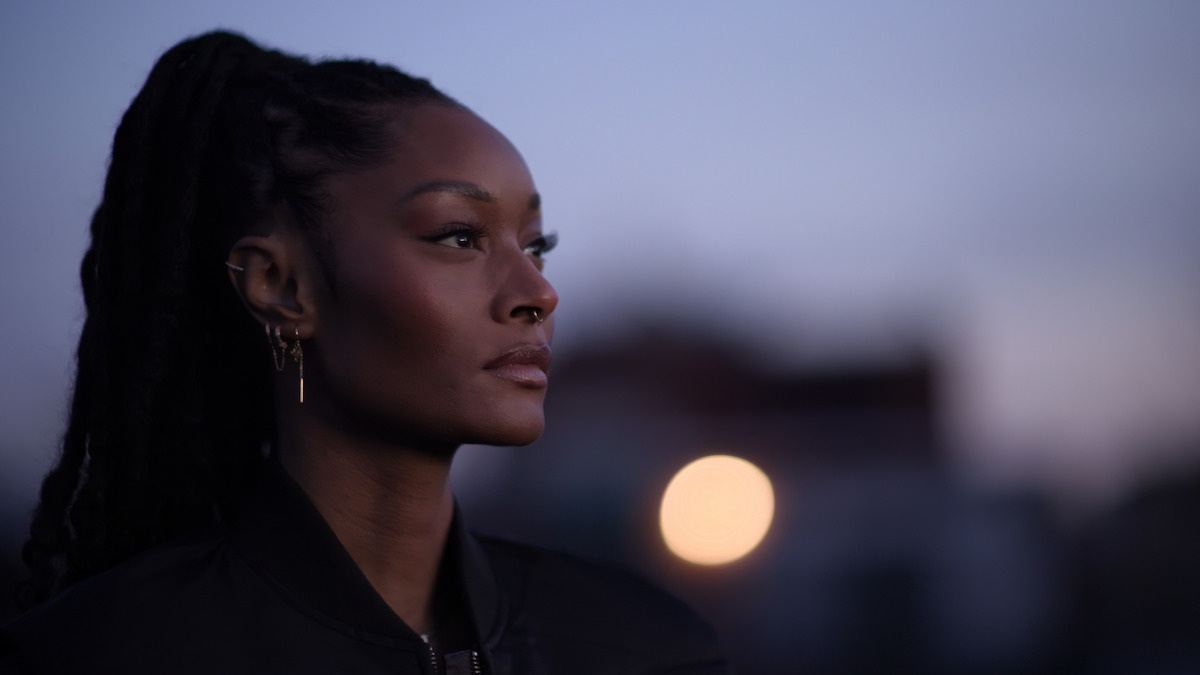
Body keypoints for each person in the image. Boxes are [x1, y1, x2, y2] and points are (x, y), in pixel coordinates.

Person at [0, 31, 727, 674]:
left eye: (536, 245)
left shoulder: (646, 646)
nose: (537, 290)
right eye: (459, 236)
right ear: (281, 286)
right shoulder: (100, 653)